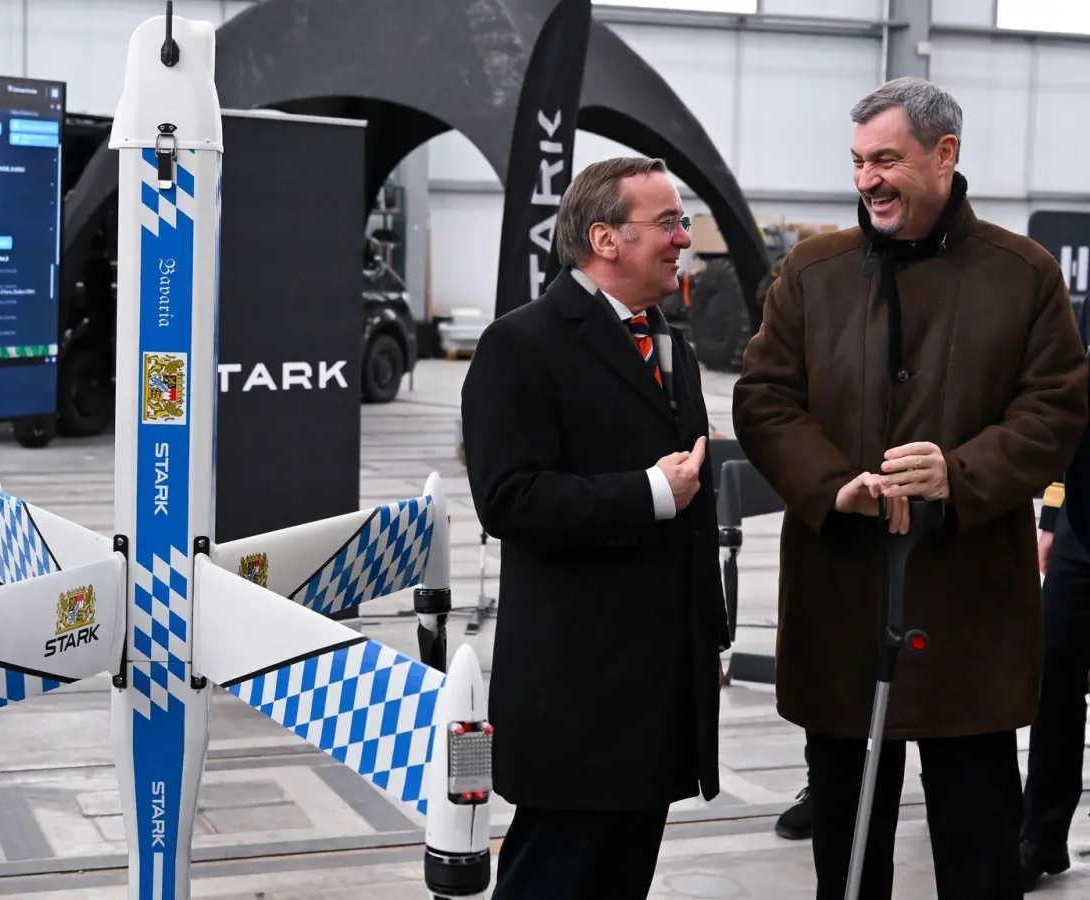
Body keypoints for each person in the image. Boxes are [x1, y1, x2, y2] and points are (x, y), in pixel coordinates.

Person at [732, 76, 1089, 900]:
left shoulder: (1023, 274)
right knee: (849, 862)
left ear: (945, 155)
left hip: (969, 613)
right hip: (842, 604)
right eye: (858, 162)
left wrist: (958, 475)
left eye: (886, 159)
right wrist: (831, 484)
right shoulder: (812, 272)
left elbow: (1057, 409)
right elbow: (763, 397)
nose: (868, 180)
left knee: (977, 847)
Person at [460, 156, 729, 899]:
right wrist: (647, 493)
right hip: (578, 689)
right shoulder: (522, 345)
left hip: (655, 681)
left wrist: (709, 635)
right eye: (668, 222)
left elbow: (697, 506)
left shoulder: (668, 340)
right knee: (555, 874)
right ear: (605, 238)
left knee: (621, 877)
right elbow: (509, 498)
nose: (683, 238)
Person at [1019, 290, 1090, 892]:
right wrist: (1052, 515)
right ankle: (1040, 837)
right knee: (1055, 681)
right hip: (1082, 533)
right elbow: (1074, 414)